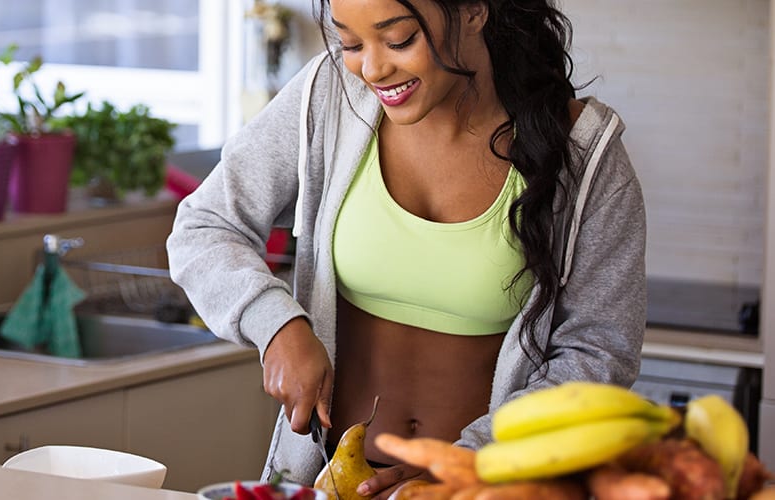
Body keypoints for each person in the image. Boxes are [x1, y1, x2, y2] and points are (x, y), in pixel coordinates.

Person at [167, 0, 646, 497]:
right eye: (350, 43)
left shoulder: (584, 151)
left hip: (485, 487)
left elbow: (600, 352)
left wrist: (463, 465)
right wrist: (277, 324)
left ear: (474, 11)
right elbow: (204, 225)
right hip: (329, 481)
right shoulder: (330, 95)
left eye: (398, 40)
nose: (372, 69)